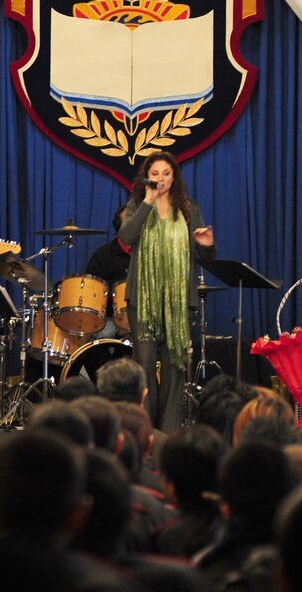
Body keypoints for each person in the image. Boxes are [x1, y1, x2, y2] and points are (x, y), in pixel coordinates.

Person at [119, 152, 216, 431]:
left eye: (166, 173)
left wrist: (207, 245)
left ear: (174, 178)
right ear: (147, 177)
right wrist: (148, 202)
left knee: (176, 368)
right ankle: (146, 432)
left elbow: (206, 258)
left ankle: (170, 433)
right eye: (156, 173)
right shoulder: (138, 203)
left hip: (178, 302)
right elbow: (126, 237)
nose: (160, 178)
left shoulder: (189, 209)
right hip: (144, 300)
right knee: (145, 365)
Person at [84, 204, 132, 340]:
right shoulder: (103, 255)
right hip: (109, 317)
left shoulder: (147, 254)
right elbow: (90, 292)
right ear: (119, 228)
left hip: (143, 317)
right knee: (106, 333)